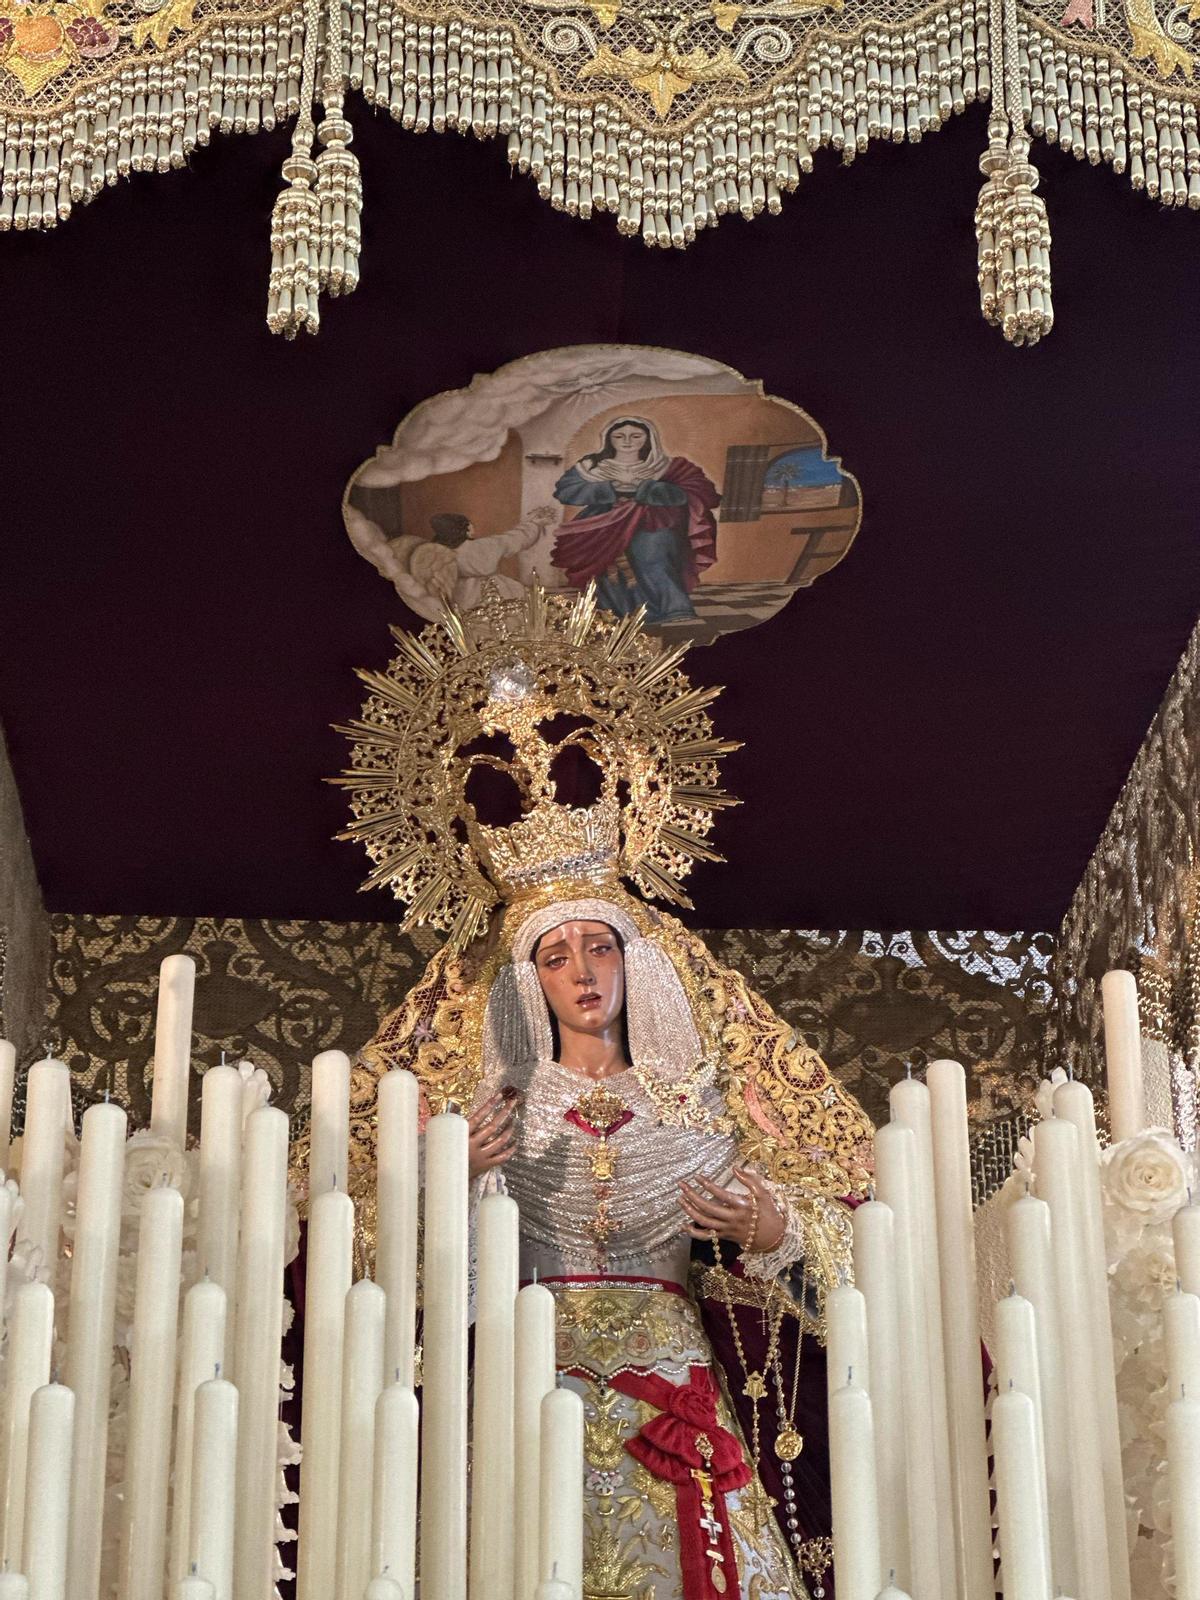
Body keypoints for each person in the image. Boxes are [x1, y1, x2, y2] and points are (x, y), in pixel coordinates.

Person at [338, 586, 875, 1600]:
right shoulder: (481, 1110)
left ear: (639, 964)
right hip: (513, 1378)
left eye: (600, 946)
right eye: (552, 956)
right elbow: (364, 1265)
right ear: (524, 980)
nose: (583, 971)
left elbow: (842, 1218)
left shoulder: (698, 1107)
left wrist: (776, 1230)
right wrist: (451, 1184)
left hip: (673, 1381)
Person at [552, 418, 719, 625]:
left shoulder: (668, 466)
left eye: (636, 436)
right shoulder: (591, 466)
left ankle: (674, 609)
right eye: (619, 436)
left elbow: (702, 492)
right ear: (608, 439)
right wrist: (608, 489)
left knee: (655, 559)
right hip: (602, 522)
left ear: (649, 438)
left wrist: (649, 489)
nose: (627, 441)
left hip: (653, 520)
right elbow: (565, 491)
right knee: (606, 567)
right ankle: (613, 613)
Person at [343, 502, 559, 622]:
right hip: (497, 591)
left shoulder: (437, 551)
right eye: (470, 525)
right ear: (466, 529)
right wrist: (535, 523)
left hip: (461, 594)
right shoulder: (484, 547)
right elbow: (516, 539)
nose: (473, 528)